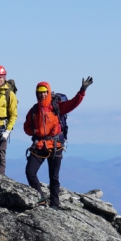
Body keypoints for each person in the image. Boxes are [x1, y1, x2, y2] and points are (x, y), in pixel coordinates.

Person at [24, 77, 93, 208]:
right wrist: (34, 131)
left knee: (54, 177)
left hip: (55, 146)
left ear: (48, 92)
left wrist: (82, 90)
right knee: (30, 171)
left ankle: (55, 204)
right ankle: (40, 198)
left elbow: (73, 103)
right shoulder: (34, 110)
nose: (42, 94)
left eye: (44, 91)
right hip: (39, 146)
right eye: (39, 92)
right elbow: (26, 126)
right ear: (36, 93)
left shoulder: (57, 107)